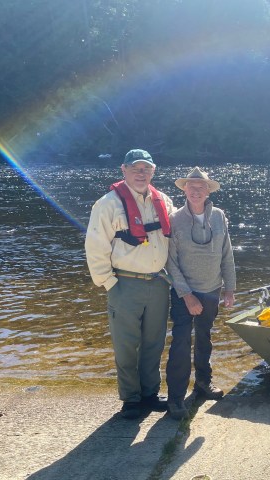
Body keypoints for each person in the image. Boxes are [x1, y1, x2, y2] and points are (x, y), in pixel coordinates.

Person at [85, 149, 175, 419]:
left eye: (146, 169)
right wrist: (108, 282)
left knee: (154, 343)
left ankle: (150, 393)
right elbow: (95, 246)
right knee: (126, 345)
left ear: (153, 171)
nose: (141, 173)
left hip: (159, 283)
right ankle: (131, 398)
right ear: (123, 170)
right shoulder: (107, 204)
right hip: (124, 283)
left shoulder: (165, 201)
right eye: (135, 168)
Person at [165, 167, 236, 420]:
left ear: (208, 191)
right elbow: (170, 262)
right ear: (184, 189)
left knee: (205, 338)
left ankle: (204, 384)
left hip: (212, 289)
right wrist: (186, 295)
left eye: (201, 187)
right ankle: (175, 399)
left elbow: (226, 253)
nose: (196, 190)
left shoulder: (218, 216)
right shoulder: (173, 219)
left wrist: (229, 288)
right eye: (191, 186)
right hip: (185, 293)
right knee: (181, 344)